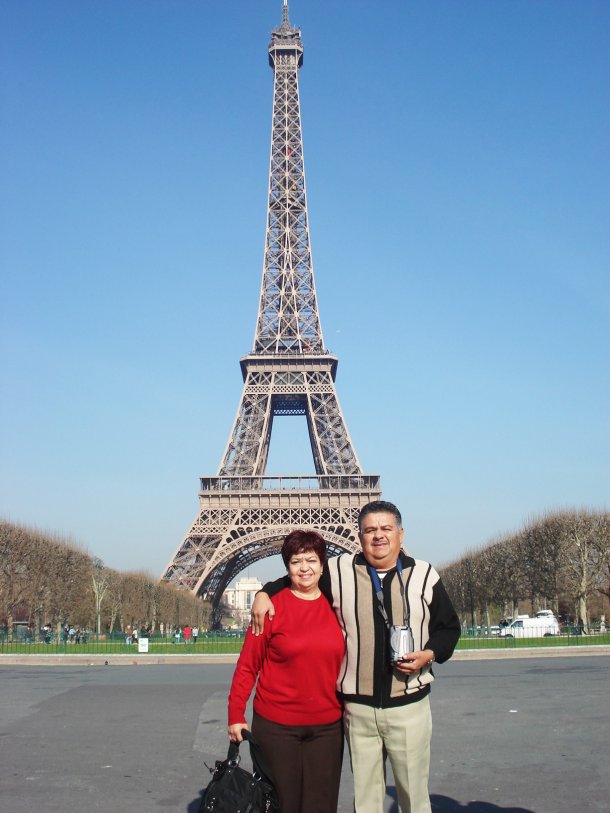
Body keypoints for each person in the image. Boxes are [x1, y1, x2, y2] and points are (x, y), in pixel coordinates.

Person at [252, 500, 461, 813]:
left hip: (409, 705)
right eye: (370, 530)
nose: (378, 535)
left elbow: (448, 628)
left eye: (386, 528)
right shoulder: (337, 570)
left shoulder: (424, 574)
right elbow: (298, 577)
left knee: (414, 799)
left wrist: (429, 654)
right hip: (358, 709)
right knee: (366, 802)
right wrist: (263, 593)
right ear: (359, 536)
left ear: (401, 535)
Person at [228, 529, 345, 813]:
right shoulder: (269, 609)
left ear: (322, 565)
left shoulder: (339, 606)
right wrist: (235, 714)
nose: (304, 567)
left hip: (328, 727)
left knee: (322, 806)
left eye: (312, 560)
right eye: (296, 561)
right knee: (280, 805)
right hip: (277, 726)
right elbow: (247, 666)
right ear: (287, 567)